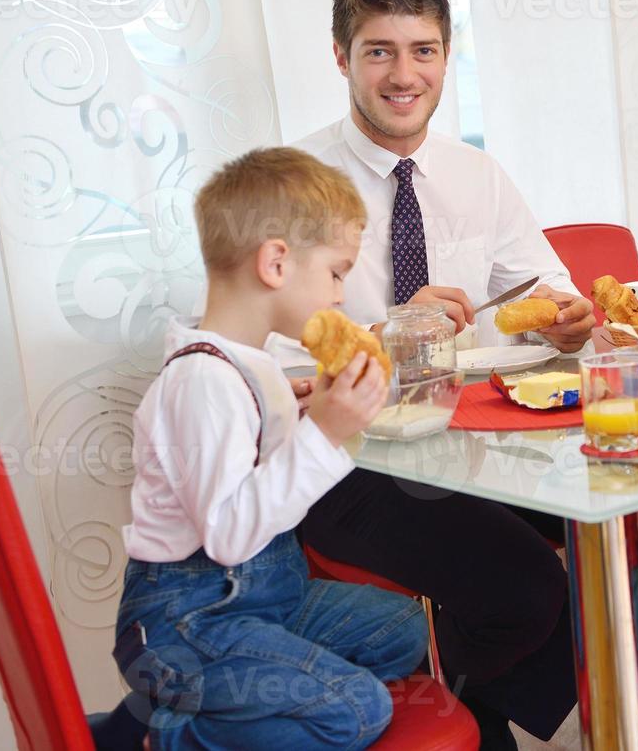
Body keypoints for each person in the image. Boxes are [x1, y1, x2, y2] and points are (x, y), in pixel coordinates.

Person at [293, 0, 638, 749]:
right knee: (522, 587)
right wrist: (387, 335)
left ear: (447, 56)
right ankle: (467, 701)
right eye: (378, 51)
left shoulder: (475, 174)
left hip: (469, 444)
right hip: (348, 465)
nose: (402, 75)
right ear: (340, 55)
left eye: (422, 51)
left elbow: (550, 289)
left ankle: (457, 692)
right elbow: (258, 363)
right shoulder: (294, 182)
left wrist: (562, 317)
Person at [114, 147, 430, 750]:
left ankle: (256, 690)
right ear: (276, 263)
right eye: (337, 273)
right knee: (357, 711)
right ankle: (160, 736)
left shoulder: (247, 368)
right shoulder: (201, 381)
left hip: (262, 602)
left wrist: (300, 413)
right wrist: (326, 433)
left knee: (401, 629)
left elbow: (253, 463)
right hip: (189, 622)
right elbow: (230, 535)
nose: (341, 297)